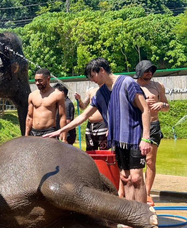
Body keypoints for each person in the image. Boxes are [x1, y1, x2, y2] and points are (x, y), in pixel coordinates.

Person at [44, 58, 151, 203]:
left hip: (135, 138)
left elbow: (145, 110)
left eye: (92, 76)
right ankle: (131, 217)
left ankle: (142, 216)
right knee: (126, 178)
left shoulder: (128, 83)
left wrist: (145, 138)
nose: (92, 80)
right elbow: (84, 116)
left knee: (137, 178)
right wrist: (60, 131)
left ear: (101, 70)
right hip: (118, 140)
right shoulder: (101, 93)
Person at [135, 60, 170, 206]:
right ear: (139, 71)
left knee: (150, 161)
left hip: (153, 125)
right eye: (147, 70)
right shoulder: (132, 85)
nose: (150, 73)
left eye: (151, 70)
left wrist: (161, 104)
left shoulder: (158, 86)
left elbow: (167, 107)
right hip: (136, 126)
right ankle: (135, 192)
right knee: (135, 161)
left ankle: (147, 193)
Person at [25, 68, 66, 141]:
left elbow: (62, 117)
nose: (37, 83)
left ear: (48, 79)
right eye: (36, 80)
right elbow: (29, 116)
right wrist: (26, 135)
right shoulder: (32, 95)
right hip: (34, 133)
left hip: (49, 132)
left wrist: (64, 137)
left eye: (40, 80)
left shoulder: (58, 95)